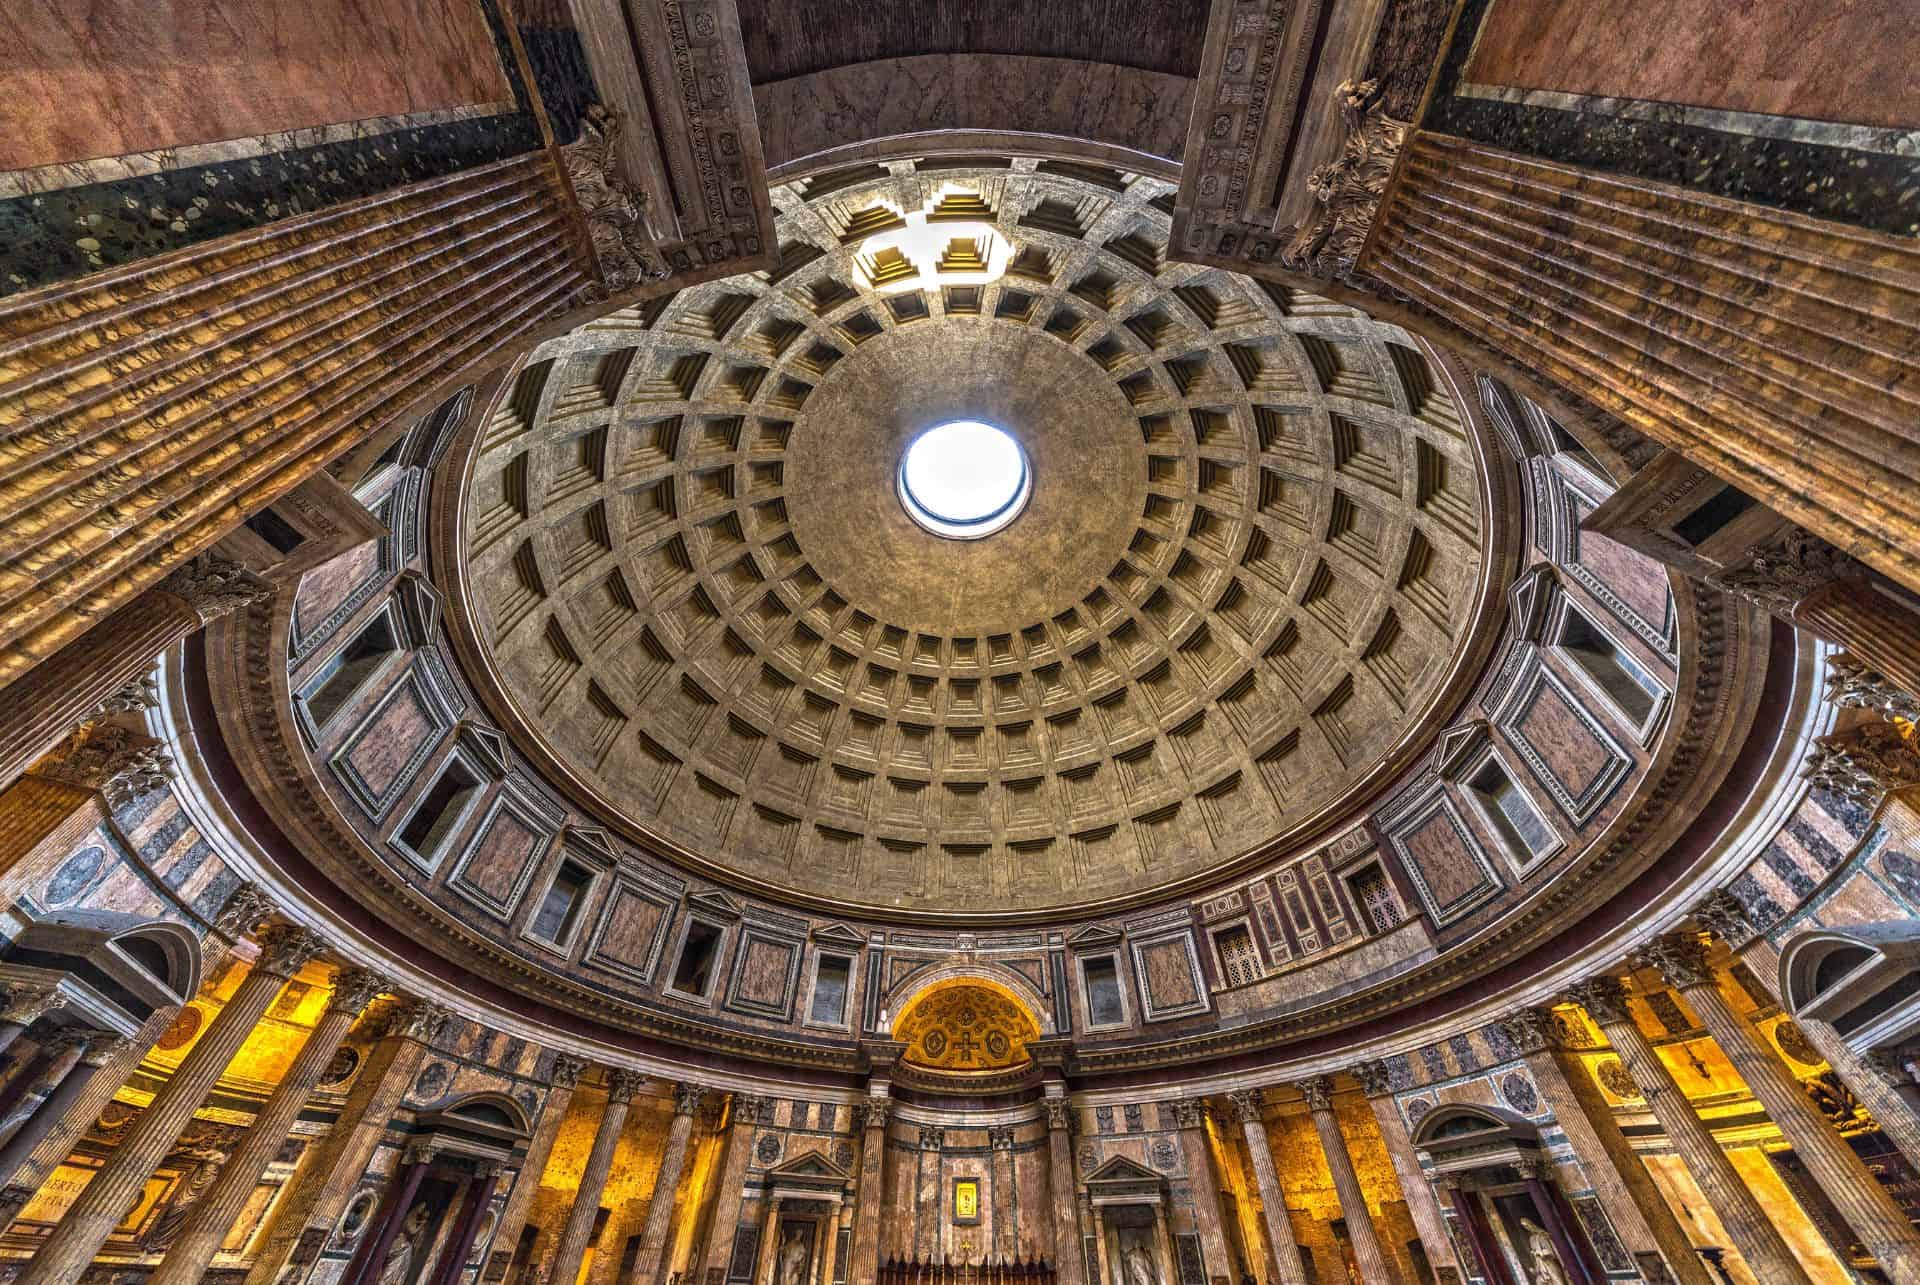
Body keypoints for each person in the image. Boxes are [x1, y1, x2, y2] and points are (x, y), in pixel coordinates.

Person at [381, 1203, 432, 1285]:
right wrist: (421, 1224)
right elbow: (412, 1230)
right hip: (400, 1244)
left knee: (401, 1264)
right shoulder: (410, 1218)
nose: (422, 1212)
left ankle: (393, 1281)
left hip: (404, 1246)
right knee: (393, 1265)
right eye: (422, 1209)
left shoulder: (415, 1221)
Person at [1520, 1218, 1569, 1285]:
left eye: (1527, 1225)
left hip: (1549, 1262)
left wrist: (1541, 1254)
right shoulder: (1531, 1239)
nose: (1527, 1227)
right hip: (1541, 1265)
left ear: (1531, 1224)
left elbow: (1552, 1250)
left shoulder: (1543, 1235)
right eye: (1525, 1226)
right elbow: (1536, 1257)